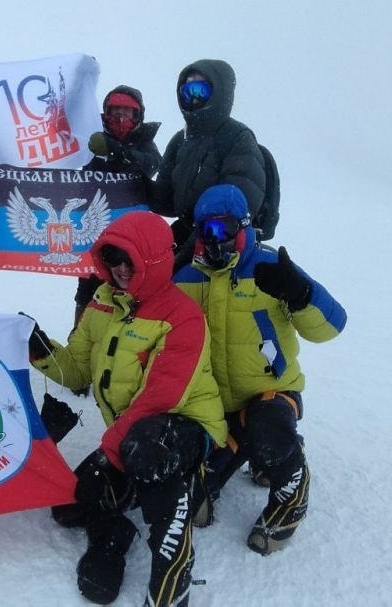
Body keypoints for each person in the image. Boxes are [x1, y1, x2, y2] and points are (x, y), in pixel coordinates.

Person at [28, 211, 227, 605]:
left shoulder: (181, 315)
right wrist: (40, 348)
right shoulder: (102, 304)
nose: (119, 268)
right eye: (112, 256)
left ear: (152, 259)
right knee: (73, 503)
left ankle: (172, 569)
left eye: (129, 259)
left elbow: (160, 397)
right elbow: (79, 370)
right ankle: (113, 537)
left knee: (147, 451)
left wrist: (111, 450)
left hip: (186, 425)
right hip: (131, 433)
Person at [174, 184, 347, 555]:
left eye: (223, 229)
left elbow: (333, 325)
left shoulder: (270, 269)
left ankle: (290, 490)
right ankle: (242, 455)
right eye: (206, 231)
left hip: (272, 394)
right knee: (194, 491)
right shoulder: (187, 278)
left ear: (243, 228)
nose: (214, 240)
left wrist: (301, 295)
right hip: (216, 406)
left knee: (268, 430)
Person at [151, 59, 266, 271]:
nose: (193, 99)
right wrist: (134, 184)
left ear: (219, 93)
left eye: (199, 91)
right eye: (187, 92)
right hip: (186, 234)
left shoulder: (236, 138)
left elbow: (238, 203)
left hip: (224, 240)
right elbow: (164, 200)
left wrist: (188, 251)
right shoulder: (181, 140)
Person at [74, 86, 162, 326]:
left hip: (131, 241)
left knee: (129, 294)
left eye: (127, 112)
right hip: (93, 236)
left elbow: (150, 164)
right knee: (88, 294)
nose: (121, 118)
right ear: (105, 114)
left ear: (137, 117)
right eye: (115, 112)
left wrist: (116, 150)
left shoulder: (144, 143)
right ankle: (79, 341)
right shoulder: (88, 139)